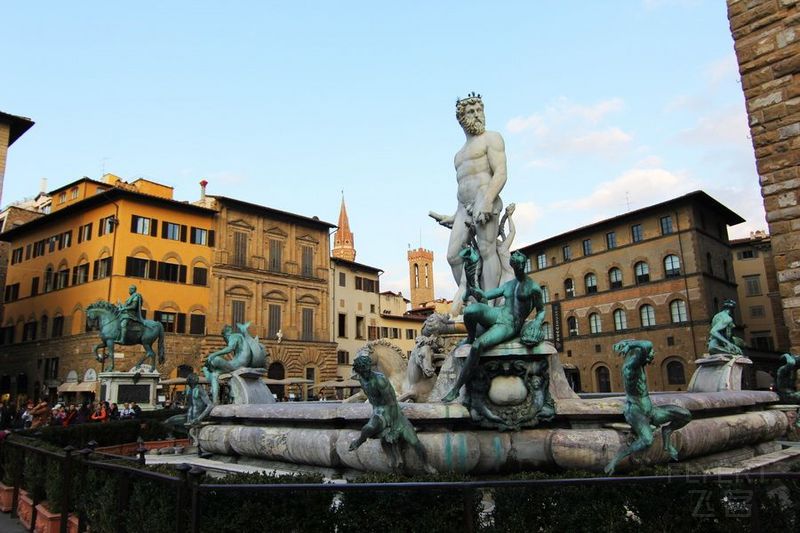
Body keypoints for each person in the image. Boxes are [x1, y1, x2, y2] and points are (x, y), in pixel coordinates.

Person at [429, 93, 508, 314]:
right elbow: (463, 189)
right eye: (471, 111)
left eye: (479, 110)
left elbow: (500, 172)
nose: (477, 115)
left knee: (486, 250)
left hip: (486, 198)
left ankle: (489, 305)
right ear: (461, 118)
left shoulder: (492, 138)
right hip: (463, 208)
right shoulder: (459, 155)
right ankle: (472, 297)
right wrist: (453, 217)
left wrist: (488, 201)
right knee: (453, 256)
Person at [443, 251, 545, 403]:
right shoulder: (509, 285)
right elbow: (486, 296)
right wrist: (474, 290)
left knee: (478, 346)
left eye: (521, 265)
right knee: (471, 310)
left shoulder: (533, 288)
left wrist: (537, 322)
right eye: (516, 266)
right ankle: (470, 337)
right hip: (498, 313)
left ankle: (456, 388)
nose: (519, 269)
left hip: (510, 324)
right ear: (513, 266)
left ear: (524, 265)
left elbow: (541, 311)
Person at [604, 339, 692, 474]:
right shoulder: (631, 367)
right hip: (636, 411)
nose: (652, 355)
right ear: (637, 355)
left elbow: (647, 347)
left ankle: (667, 434)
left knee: (685, 415)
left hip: (650, 410)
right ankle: (617, 458)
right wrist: (631, 345)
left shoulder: (638, 366)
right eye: (649, 354)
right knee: (647, 440)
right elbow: (647, 344)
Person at [348, 352, 435, 473]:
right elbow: (373, 402)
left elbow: (392, 403)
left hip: (395, 415)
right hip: (378, 413)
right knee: (368, 428)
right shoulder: (362, 380)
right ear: (359, 371)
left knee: (414, 442)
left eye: (368, 369)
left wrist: (393, 427)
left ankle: (426, 465)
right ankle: (359, 441)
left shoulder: (380, 380)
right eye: (363, 371)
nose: (366, 373)